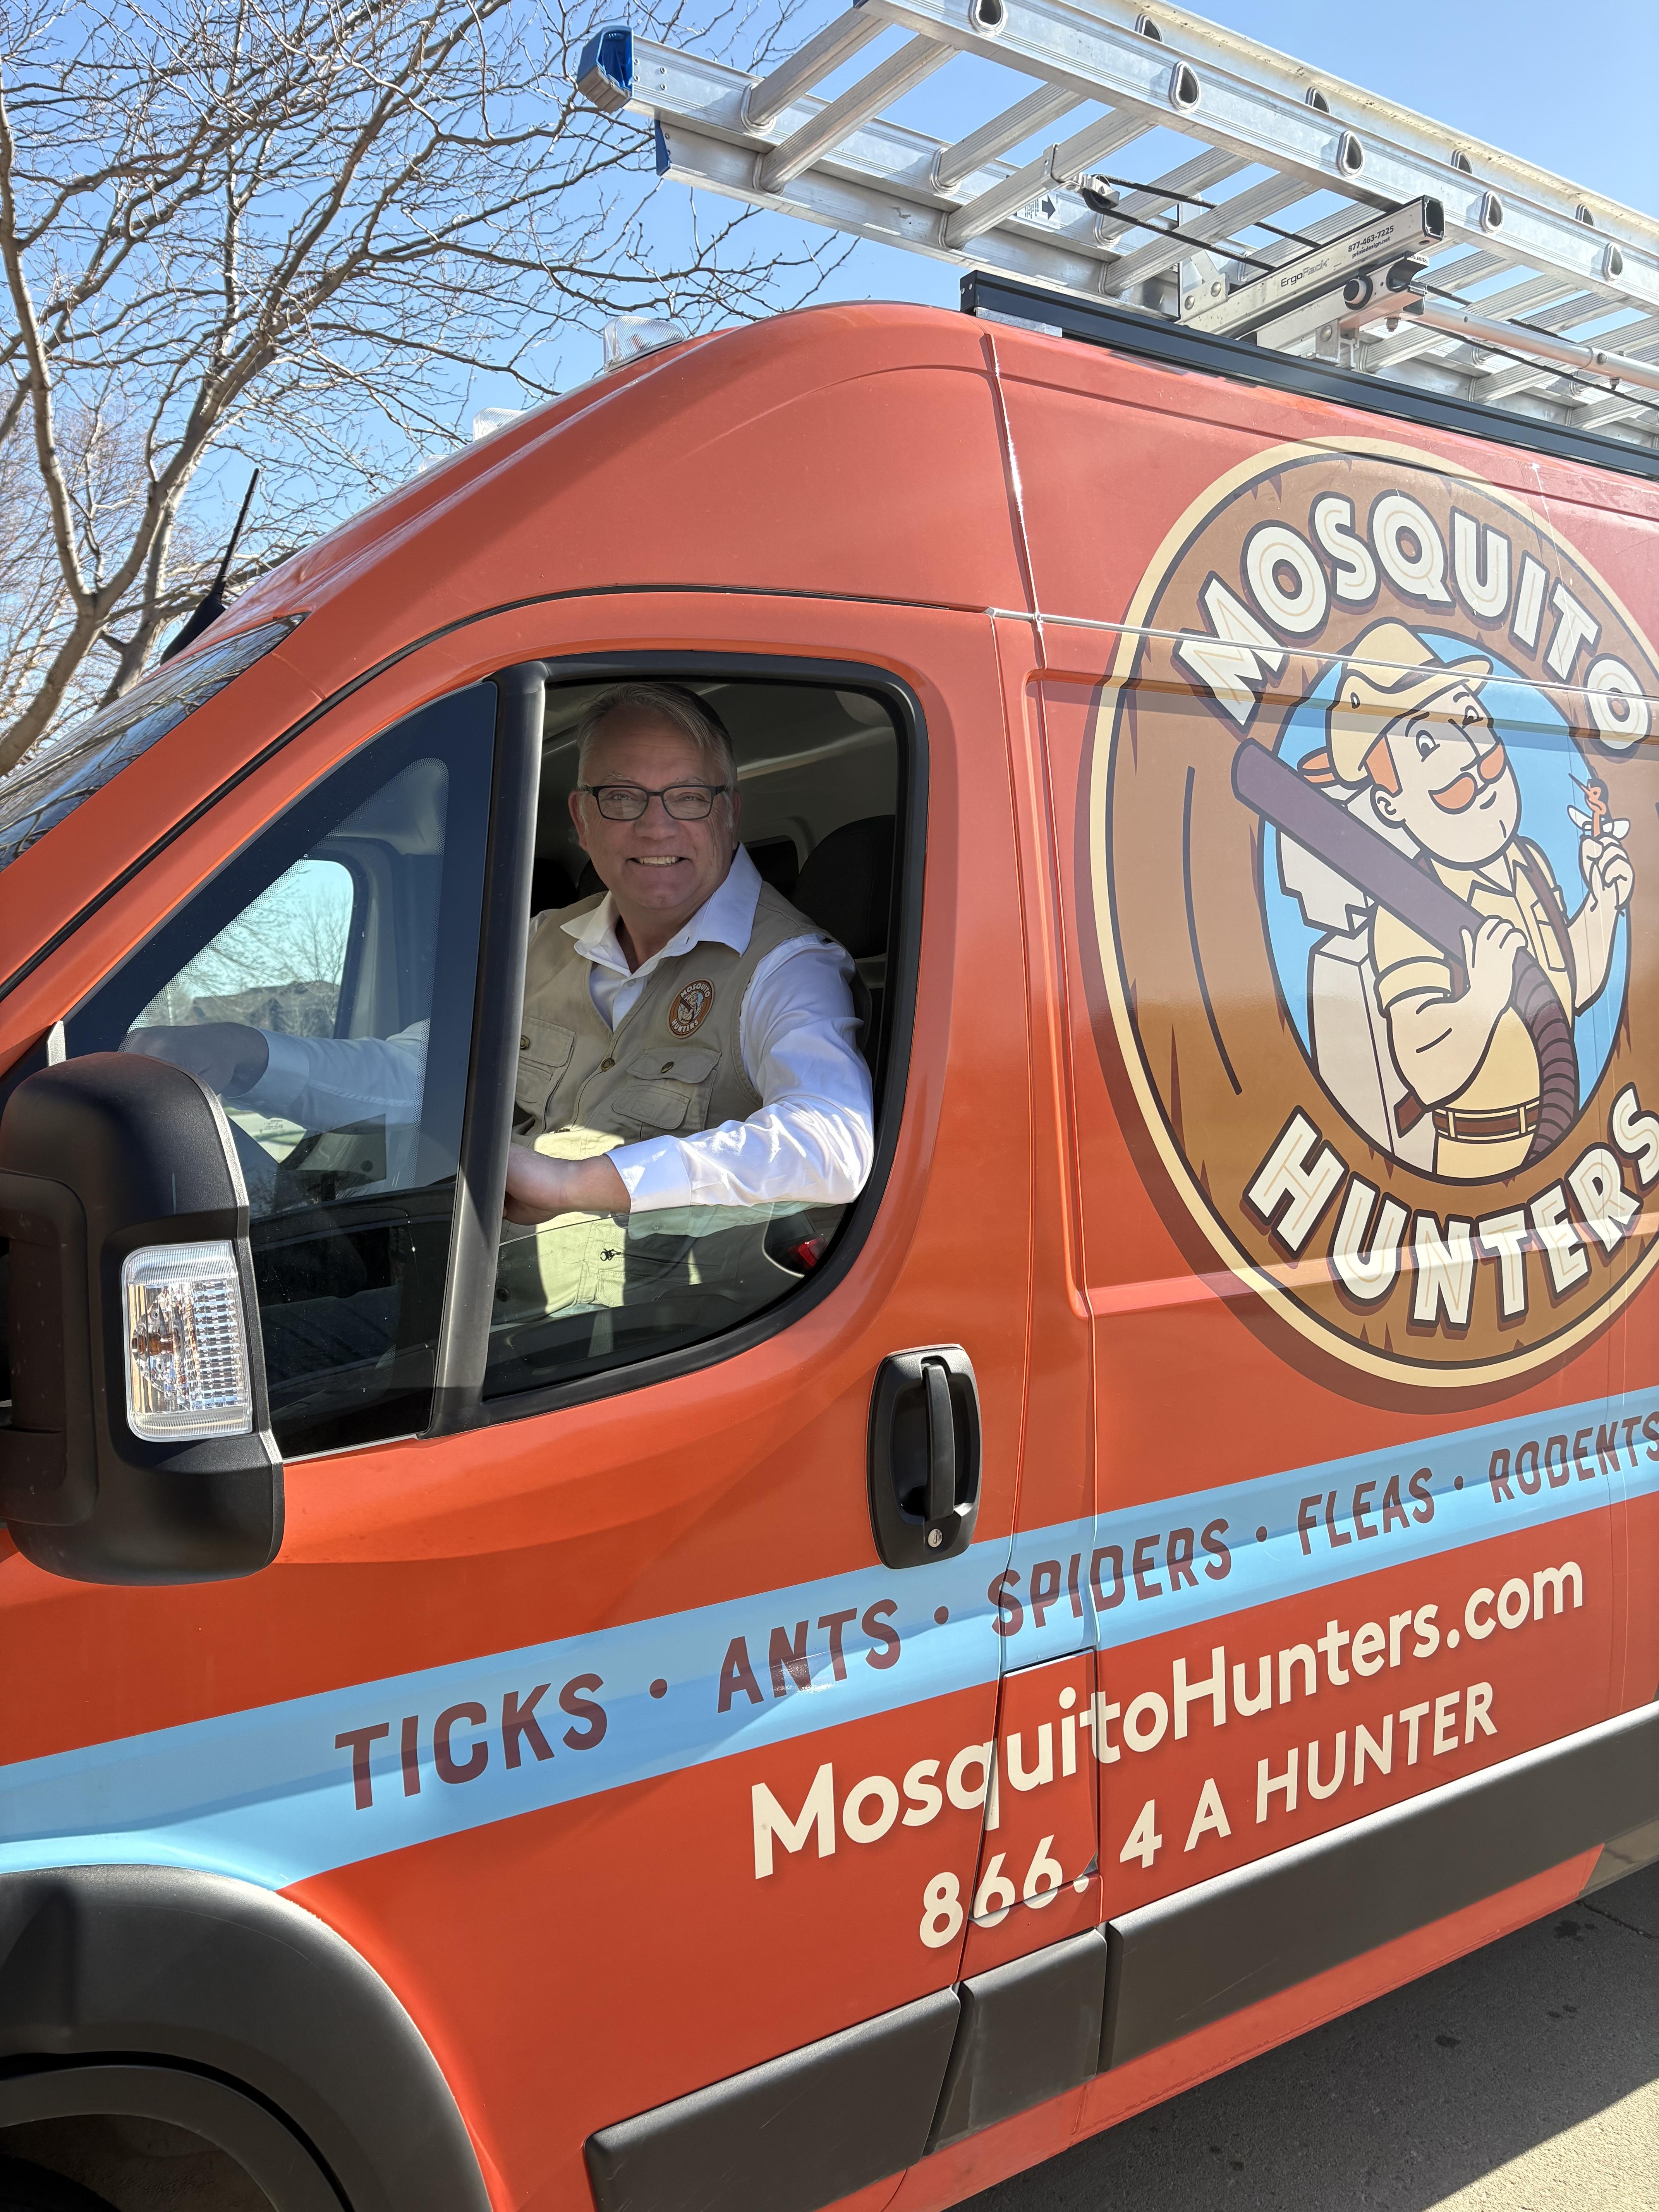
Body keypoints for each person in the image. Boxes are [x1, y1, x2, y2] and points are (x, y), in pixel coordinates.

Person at [124, 680, 874, 1332]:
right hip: (458, 1289)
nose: (655, 826)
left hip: (630, 1341)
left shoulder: (786, 966)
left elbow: (834, 1144)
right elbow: (418, 1074)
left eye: (686, 796)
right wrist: (248, 1056)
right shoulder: (543, 942)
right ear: (582, 819)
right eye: (622, 798)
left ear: (728, 812)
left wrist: (581, 1183)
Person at [1307, 622, 1633, 1180]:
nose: (1469, 756)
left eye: (1468, 721)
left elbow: (1566, 987)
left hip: (1564, 1145)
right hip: (1481, 1162)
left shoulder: (1528, 863)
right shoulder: (1405, 912)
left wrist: (1603, 905)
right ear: (1391, 809)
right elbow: (1426, 1071)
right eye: (1427, 744)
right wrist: (1483, 996)